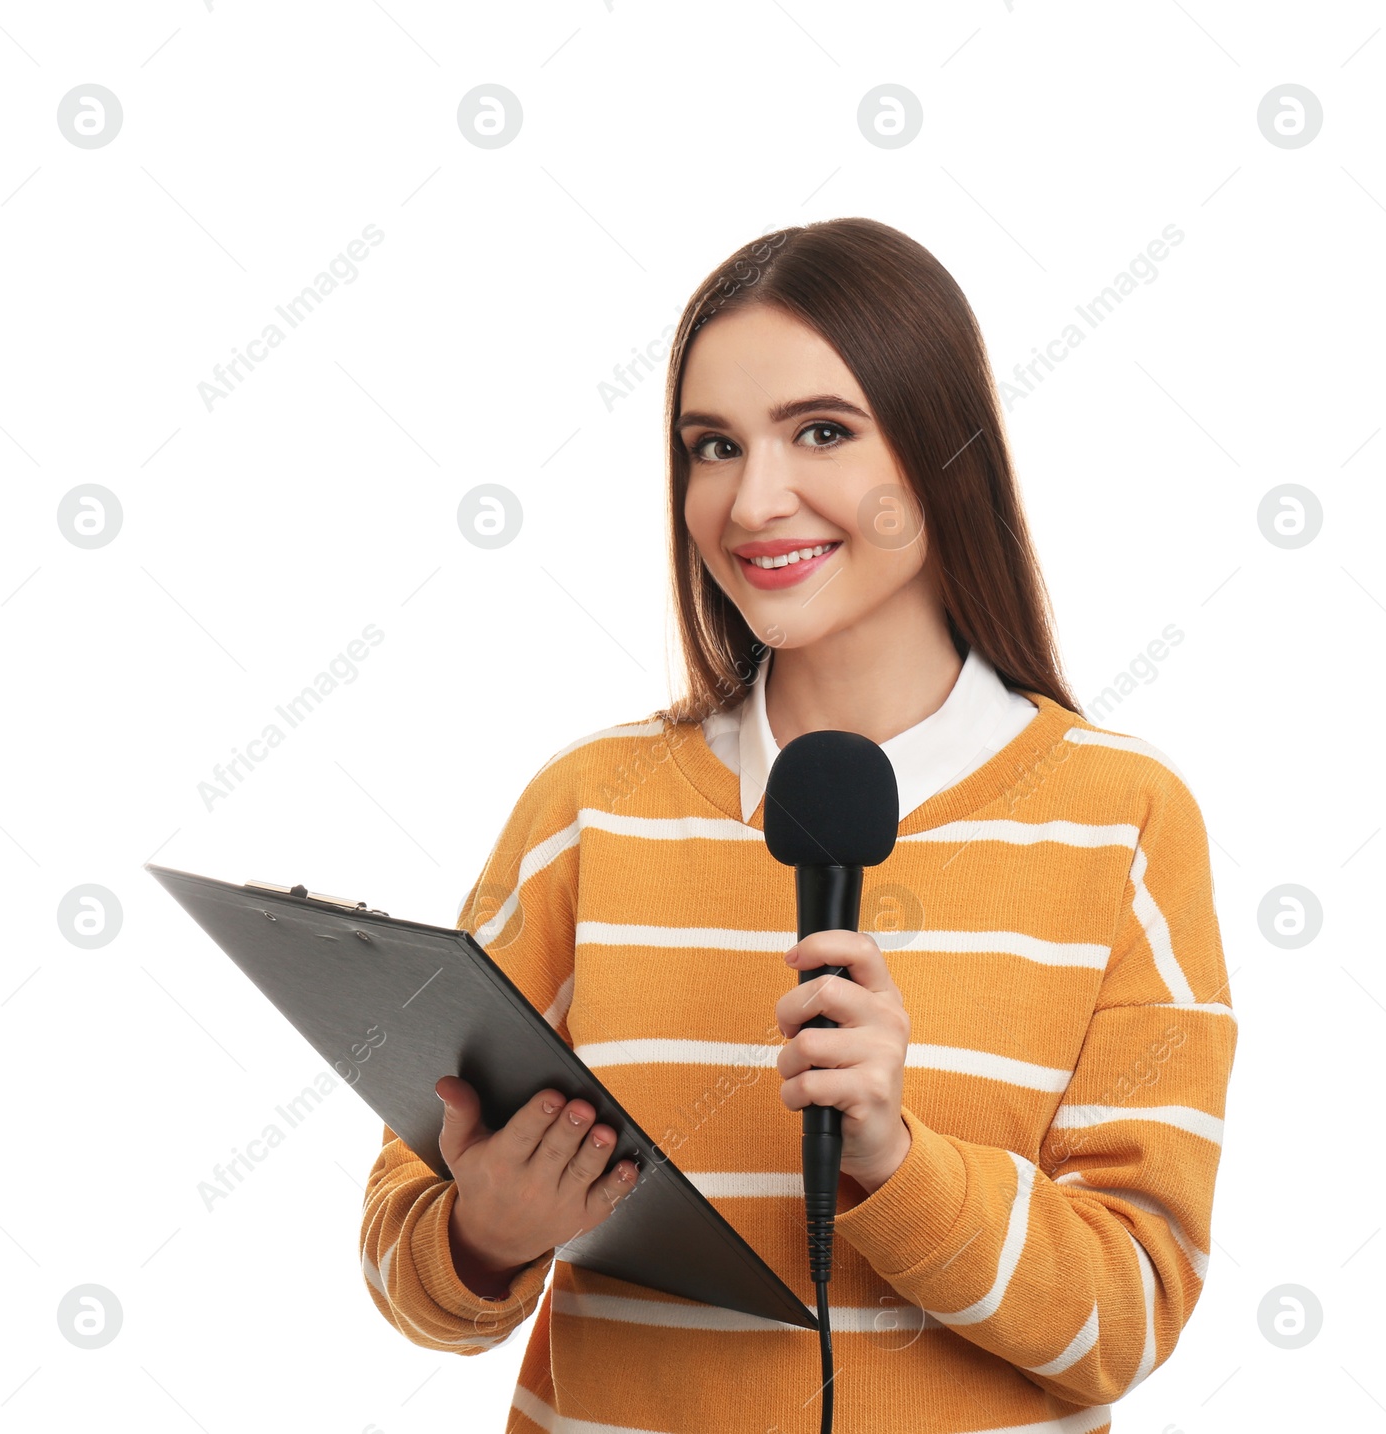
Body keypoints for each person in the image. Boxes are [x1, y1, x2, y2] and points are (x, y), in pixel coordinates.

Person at [360, 217, 1236, 1434]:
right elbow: (406, 1261)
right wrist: (481, 1236)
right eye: (711, 447)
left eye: (820, 431)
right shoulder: (586, 811)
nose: (751, 500)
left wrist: (898, 1159)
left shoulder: (1122, 821)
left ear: (944, 452)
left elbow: (1129, 1318)